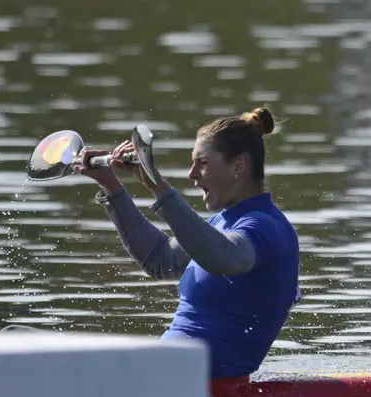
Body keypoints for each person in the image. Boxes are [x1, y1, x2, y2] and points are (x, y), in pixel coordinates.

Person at [74, 107, 300, 379]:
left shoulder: (265, 227)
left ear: (239, 166)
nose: (192, 173)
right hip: (170, 370)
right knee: (18, 336)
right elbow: (159, 259)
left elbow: (224, 259)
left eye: (202, 163)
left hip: (196, 379)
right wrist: (112, 187)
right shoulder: (220, 223)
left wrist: (159, 188)